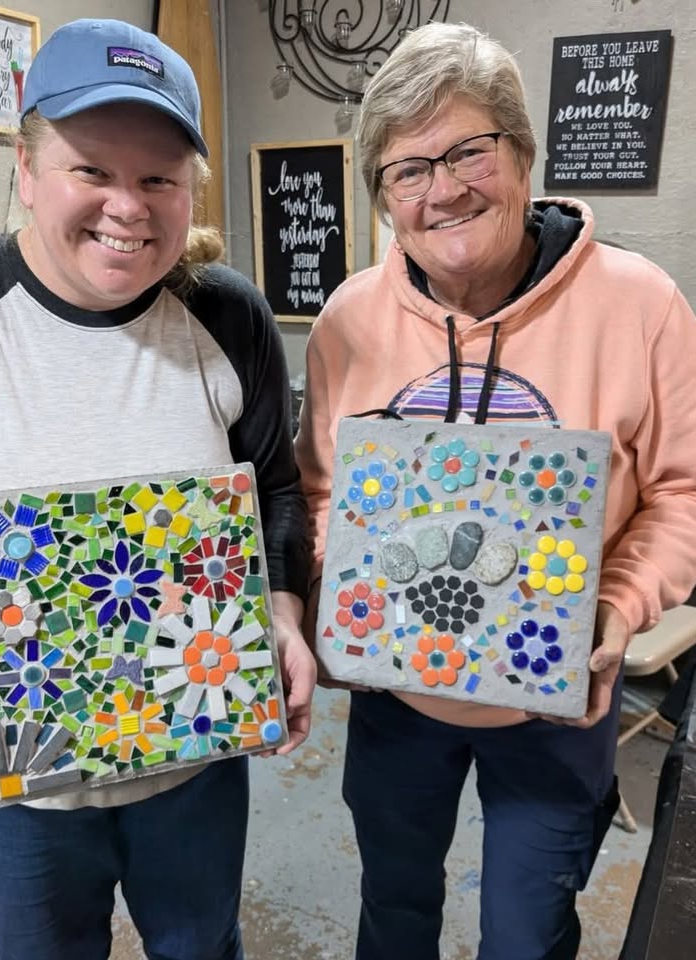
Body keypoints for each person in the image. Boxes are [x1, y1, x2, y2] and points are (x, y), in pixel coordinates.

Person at [0, 18, 315, 960]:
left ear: (189, 186)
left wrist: (279, 610)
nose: (129, 206)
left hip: (196, 757)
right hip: (10, 773)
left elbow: (273, 488)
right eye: (91, 170)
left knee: (202, 947)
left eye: (158, 177)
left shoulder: (226, 312)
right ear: (27, 169)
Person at [294, 21, 696, 960]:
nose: (442, 189)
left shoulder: (639, 304)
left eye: (468, 151)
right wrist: (335, 592)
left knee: (528, 929)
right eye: (407, 169)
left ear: (520, 154)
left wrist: (616, 602)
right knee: (393, 909)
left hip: (552, 700)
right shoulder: (348, 318)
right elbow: (318, 491)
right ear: (382, 196)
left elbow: (682, 493)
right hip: (394, 699)